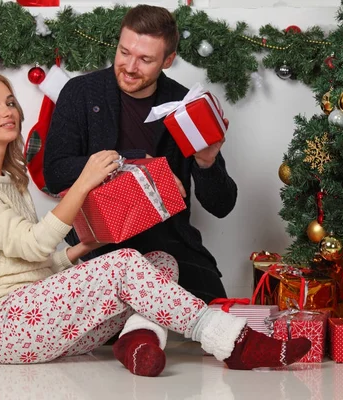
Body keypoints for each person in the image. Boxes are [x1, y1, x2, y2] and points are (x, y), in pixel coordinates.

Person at [0, 72, 310, 377]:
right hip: (1, 327)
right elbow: (30, 245)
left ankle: (136, 341)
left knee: (161, 262)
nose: (9, 111)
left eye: (11, 102)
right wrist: (85, 180)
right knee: (127, 261)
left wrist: (84, 248)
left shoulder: (9, 180)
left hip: (38, 318)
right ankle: (234, 342)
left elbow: (35, 263)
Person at [43, 4, 235, 304]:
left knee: (217, 318)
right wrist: (137, 163)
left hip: (168, 237)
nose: (130, 67)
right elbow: (55, 174)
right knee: (116, 326)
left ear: (168, 60)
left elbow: (222, 205)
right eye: (124, 52)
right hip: (101, 238)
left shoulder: (184, 104)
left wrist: (206, 163)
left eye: (145, 59)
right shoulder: (80, 93)